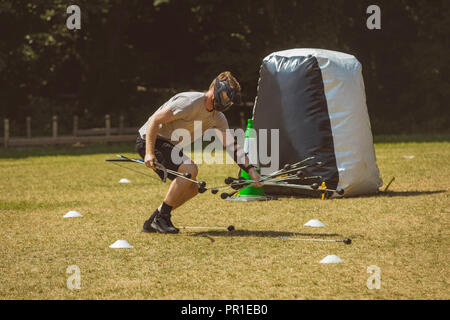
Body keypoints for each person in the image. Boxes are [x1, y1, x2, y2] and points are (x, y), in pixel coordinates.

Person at [136, 71, 262, 234]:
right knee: (190, 170)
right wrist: (149, 153)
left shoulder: (218, 118)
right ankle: (162, 218)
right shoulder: (189, 102)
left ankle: (154, 220)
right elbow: (155, 120)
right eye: (226, 96)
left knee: (192, 189)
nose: (227, 101)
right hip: (150, 140)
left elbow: (232, 146)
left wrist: (250, 169)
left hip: (169, 145)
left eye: (230, 99)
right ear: (217, 88)